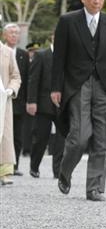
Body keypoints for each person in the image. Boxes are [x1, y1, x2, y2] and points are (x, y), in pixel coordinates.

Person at [51, 0, 106, 202]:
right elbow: (59, 58)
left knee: (103, 141)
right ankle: (65, 171)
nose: (96, 0)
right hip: (77, 85)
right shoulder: (67, 21)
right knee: (80, 136)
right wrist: (56, 87)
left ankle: (94, 188)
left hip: (104, 85)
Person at [27, 35, 64, 179]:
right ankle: (34, 166)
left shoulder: (68, 55)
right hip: (43, 104)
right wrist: (31, 101)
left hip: (62, 104)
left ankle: (58, 171)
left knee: (62, 139)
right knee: (41, 137)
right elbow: (33, 79)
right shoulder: (41, 55)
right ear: (52, 37)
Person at [2, 23, 29, 175]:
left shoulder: (23, 54)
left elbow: (26, 78)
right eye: (11, 33)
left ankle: (14, 165)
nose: (14, 35)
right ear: (4, 35)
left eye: (16, 33)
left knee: (17, 135)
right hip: (2, 100)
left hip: (17, 100)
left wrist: (29, 100)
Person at [0, 41, 21, 185]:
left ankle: (4, 172)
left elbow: (15, 76)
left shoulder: (7, 52)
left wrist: (11, 89)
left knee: (4, 136)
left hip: (3, 100)